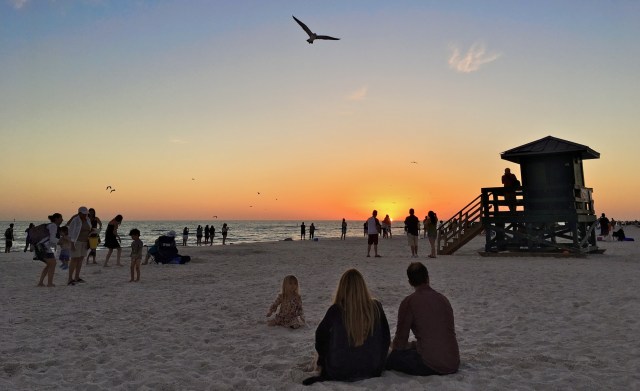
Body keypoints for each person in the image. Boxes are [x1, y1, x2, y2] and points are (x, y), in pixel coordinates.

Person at [303, 268, 390, 385]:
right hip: (372, 369)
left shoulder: (336, 310)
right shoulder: (376, 307)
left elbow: (320, 337)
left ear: (342, 288)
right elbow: (386, 339)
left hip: (339, 371)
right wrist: (379, 361)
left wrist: (323, 360)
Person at [386, 262, 460, 377]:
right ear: (428, 278)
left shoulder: (409, 302)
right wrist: (414, 345)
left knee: (393, 358)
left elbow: (400, 342)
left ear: (410, 282)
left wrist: (394, 346)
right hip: (453, 361)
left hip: (430, 364)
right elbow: (440, 333)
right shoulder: (443, 299)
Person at [35, 213, 64, 287]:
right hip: (45, 248)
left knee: (49, 265)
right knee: (53, 264)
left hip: (42, 247)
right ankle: (49, 283)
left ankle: (41, 283)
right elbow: (52, 239)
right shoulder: (53, 226)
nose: (62, 220)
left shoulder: (50, 225)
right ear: (56, 219)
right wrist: (61, 241)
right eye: (61, 218)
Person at [66, 207, 92, 285]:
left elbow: (89, 229)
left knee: (80, 259)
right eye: (84, 214)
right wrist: (72, 244)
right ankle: (70, 279)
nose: (85, 215)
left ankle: (77, 277)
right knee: (74, 260)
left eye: (86, 214)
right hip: (76, 242)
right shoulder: (75, 220)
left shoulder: (88, 220)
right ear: (79, 213)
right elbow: (70, 232)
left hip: (85, 242)